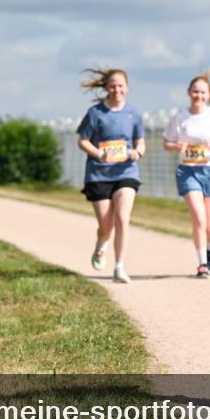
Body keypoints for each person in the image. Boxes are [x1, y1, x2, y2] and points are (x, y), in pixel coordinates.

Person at [76, 67, 145, 284]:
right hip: (99, 175)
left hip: (126, 172)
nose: (117, 90)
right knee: (106, 225)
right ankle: (101, 245)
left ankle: (119, 267)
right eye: (113, 86)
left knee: (122, 218)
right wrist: (98, 154)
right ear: (107, 87)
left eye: (121, 85)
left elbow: (140, 141)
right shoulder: (95, 113)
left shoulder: (134, 114)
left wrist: (138, 151)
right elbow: (82, 140)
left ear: (127, 87)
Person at [163, 73, 210, 278]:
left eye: (202, 92)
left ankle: (209, 246)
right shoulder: (180, 117)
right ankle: (202, 264)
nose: (198, 95)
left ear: (209, 95)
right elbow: (166, 142)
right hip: (188, 170)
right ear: (189, 93)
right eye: (195, 91)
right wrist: (176, 147)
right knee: (199, 219)